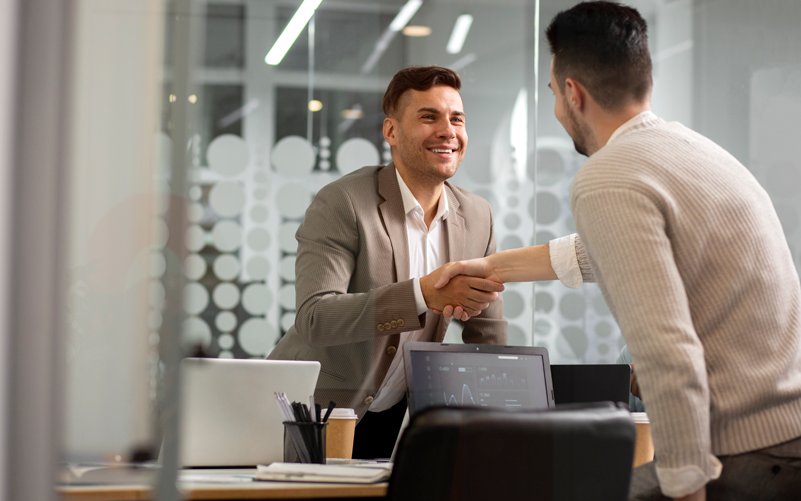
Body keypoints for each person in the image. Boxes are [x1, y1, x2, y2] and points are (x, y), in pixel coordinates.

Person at [433, 2, 801, 500]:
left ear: (573, 93)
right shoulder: (693, 152)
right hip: (786, 436)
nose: (558, 113)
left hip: (739, 456)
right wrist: (492, 266)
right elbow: (601, 252)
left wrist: (684, 485)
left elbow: (665, 347)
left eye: (553, 96)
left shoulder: (610, 176)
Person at [268, 66, 507, 460]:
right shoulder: (343, 202)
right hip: (315, 414)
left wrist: (503, 423)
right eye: (429, 117)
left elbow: (488, 331)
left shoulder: (477, 215)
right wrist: (421, 294)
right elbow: (315, 317)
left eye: (457, 119)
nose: (448, 130)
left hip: (395, 419)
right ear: (391, 132)